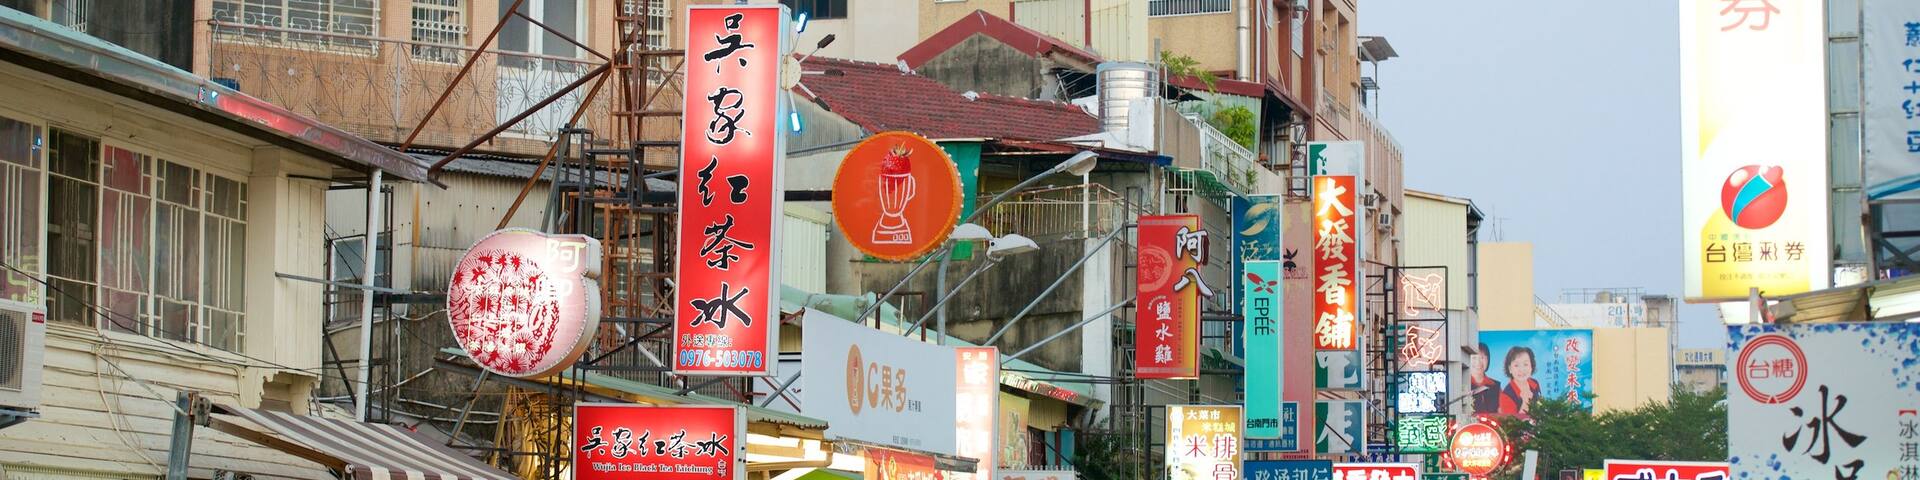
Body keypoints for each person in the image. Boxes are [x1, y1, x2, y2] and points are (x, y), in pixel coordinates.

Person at [1498, 346, 1541, 416]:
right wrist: (1525, 402)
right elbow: (1512, 423)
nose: (1521, 369)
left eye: (1525, 364)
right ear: (1510, 369)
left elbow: (1540, 406)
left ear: (1531, 366)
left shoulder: (1535, 383)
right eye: (1516, 365)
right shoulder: (1506, 395)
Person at [1468, 343, 1502, 414]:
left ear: (1488, 360)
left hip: (1491, 424)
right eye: (1474, 358)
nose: (1478, 362)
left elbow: (1501, 412)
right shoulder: (1462, 384)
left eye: (1482, 358)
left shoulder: (1496, 386)